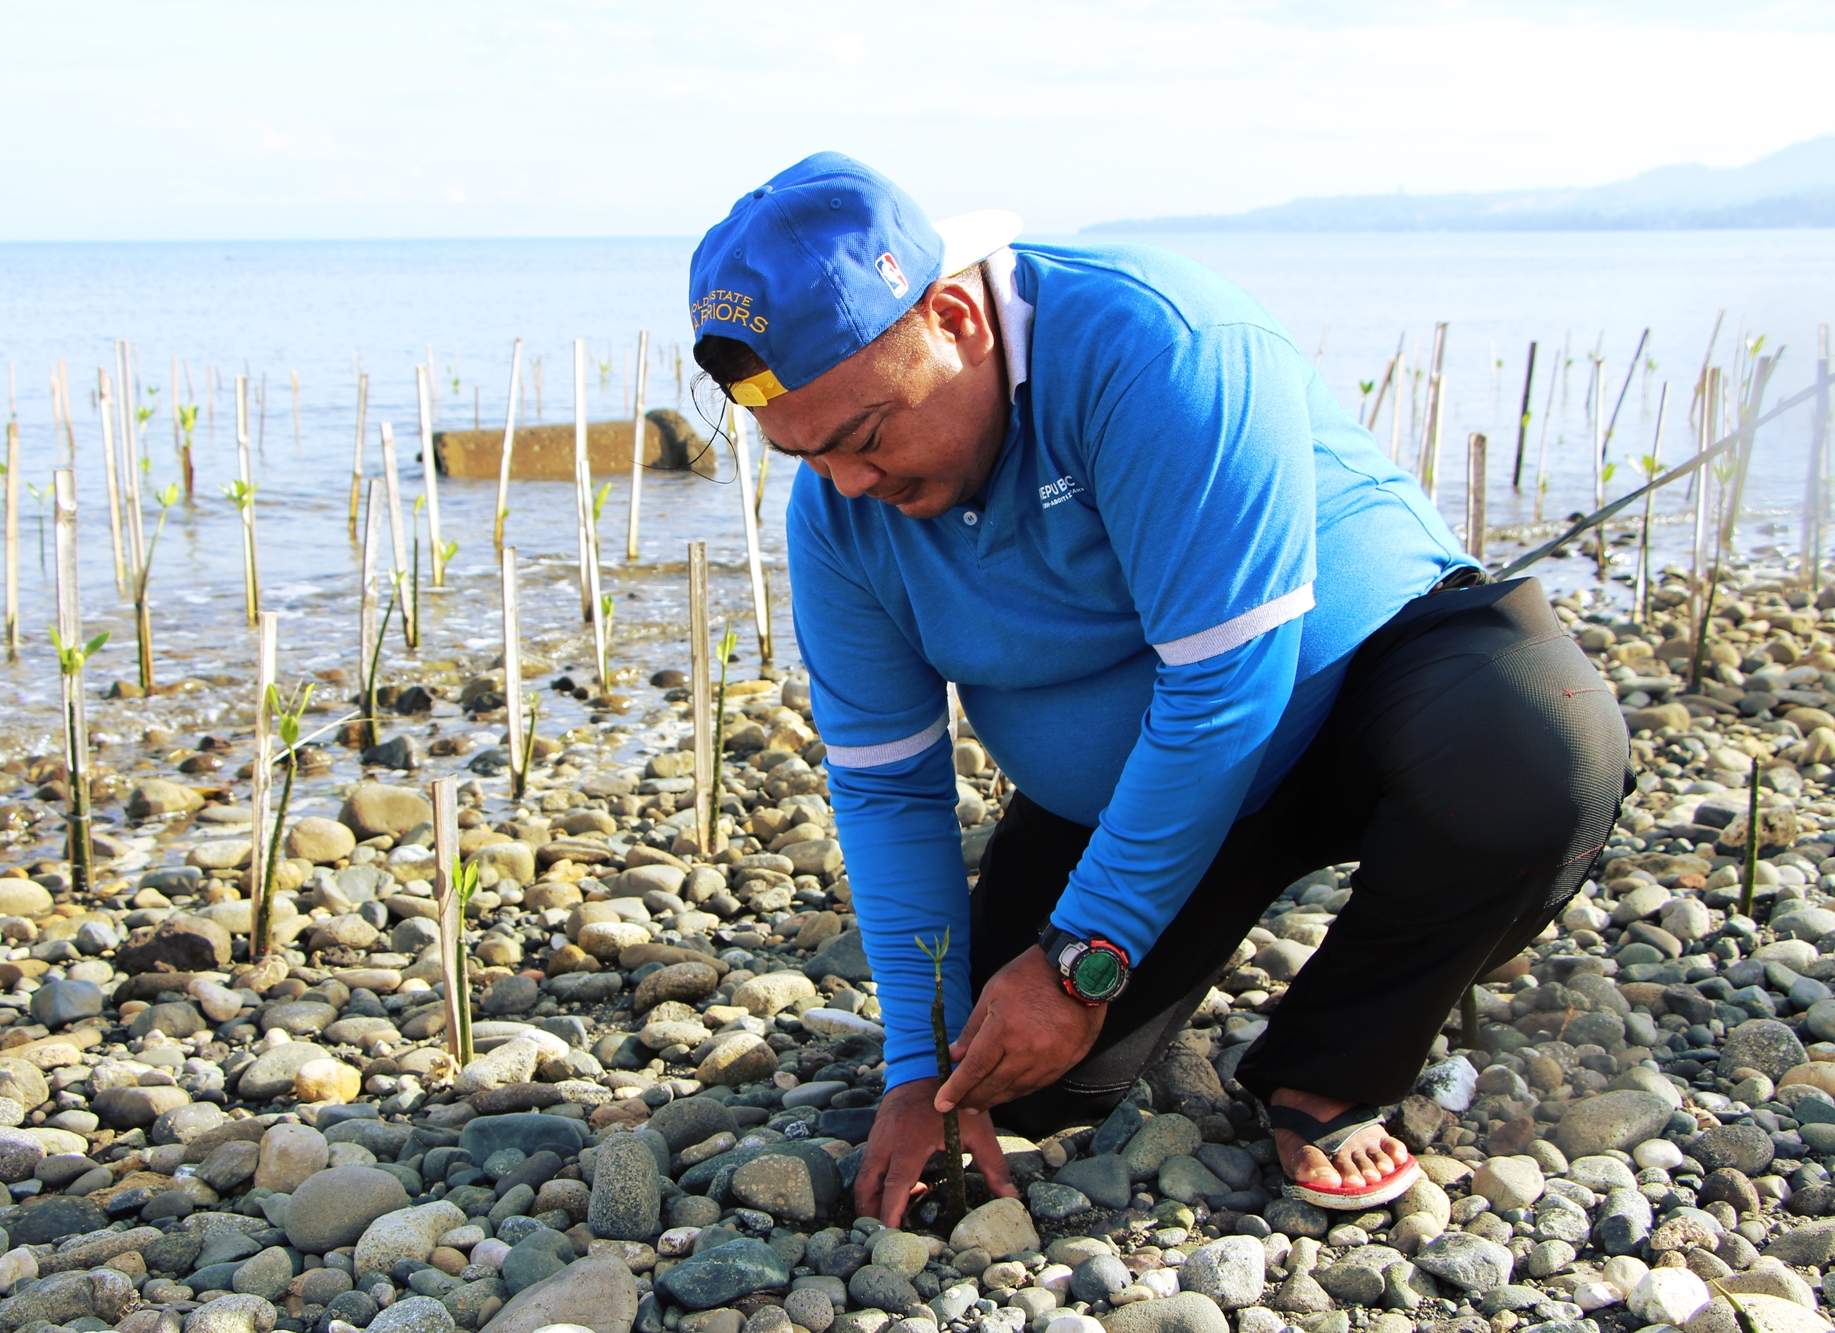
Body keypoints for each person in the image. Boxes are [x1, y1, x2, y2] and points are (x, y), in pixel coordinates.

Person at [686, 152, 1628, 1226]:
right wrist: (915, 1065)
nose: (849, 485)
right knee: (1021, 1087)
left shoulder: (1161, 346)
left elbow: (1224, 683)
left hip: (1361, 689)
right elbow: (887, 790)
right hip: (1138, 782)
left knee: (1537, 754)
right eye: (804, 455)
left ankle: (1324, 1068)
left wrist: (1085, 957)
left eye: (864, 435)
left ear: (956, 318)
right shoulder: (839, 513)